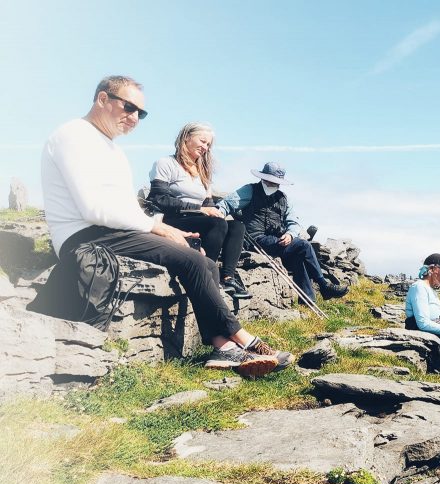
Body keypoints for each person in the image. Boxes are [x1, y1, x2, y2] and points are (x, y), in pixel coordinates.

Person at [38, 75, 293, 378]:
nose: (134, 118)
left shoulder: (112, 149)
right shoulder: (73, 136)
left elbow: (123, 206)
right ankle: (245, 340)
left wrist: (163, 229)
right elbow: (93, 208)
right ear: (102, 99)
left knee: (205, 264)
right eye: (129, 107)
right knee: (193, 262)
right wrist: (157, 226)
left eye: (141, 113)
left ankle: (222, 348)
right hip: (84, 235)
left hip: (114, 231)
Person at [146, 122, 251, 299]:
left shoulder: (203, 173)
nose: (205, 147)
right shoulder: (166, 163)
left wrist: (211, 210)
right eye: (202, 141)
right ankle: (205, 274)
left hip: (198, 218)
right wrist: (200, 209)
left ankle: (227, 277)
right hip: (172, 219)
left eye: (208, 144)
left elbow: (208, 204)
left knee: (237, 226)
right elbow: (159, 199)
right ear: (186, 137)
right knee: (217, 224)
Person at [222, 163, 348, 305]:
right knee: (304, 245)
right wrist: (218, 212)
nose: (274, 184)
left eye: (277, 182)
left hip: (275, 240)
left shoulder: (283, 198)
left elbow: (293, 221)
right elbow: (227, 203)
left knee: (298, 255)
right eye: (272, 180)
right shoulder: (250, 190)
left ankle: (307, 301)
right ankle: (323, 285)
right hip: (254, 240)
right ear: (264, 178)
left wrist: (290, 235)